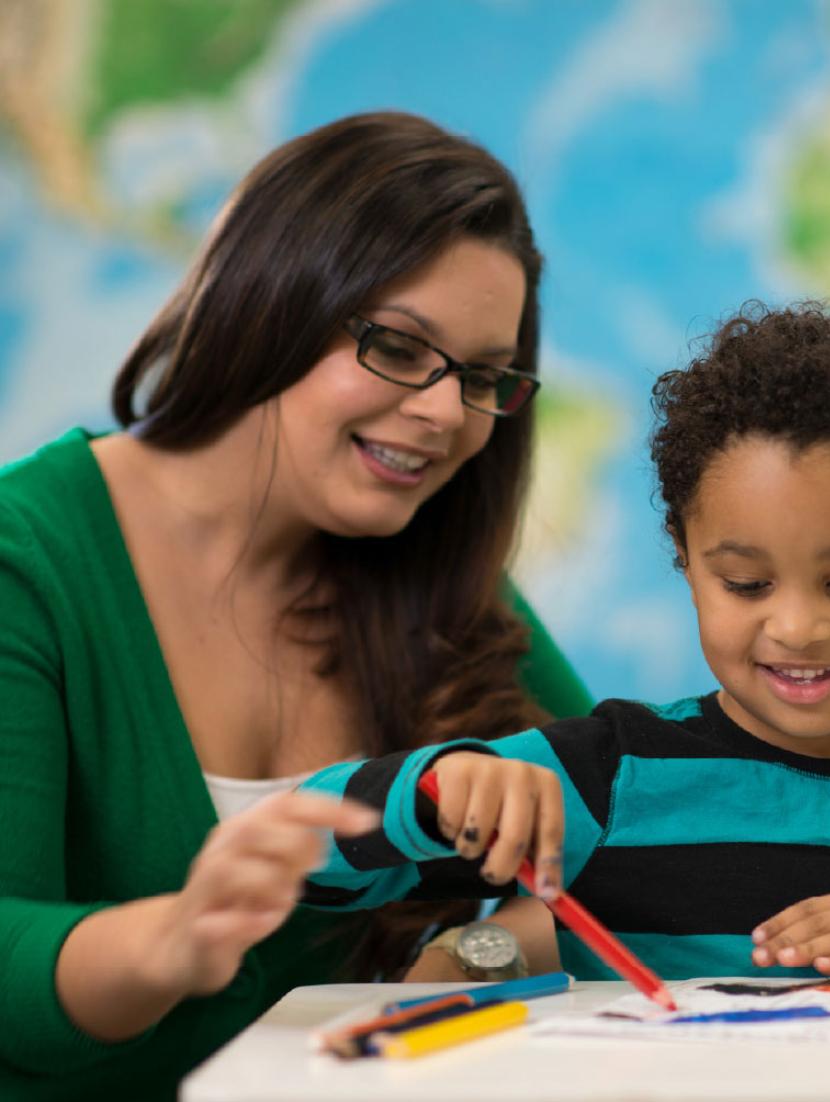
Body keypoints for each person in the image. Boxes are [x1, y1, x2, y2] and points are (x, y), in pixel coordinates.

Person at [0, 112, 591, 1100]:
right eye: (400, 347)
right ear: (265, 304)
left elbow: (641, 843)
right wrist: (174, 937)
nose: (447, 413)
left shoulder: (446, 575)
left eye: (485, 377)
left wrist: (476, 952)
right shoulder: (28, 559)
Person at [300, 301, 830, 980]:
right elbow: (306, 857)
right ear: (688, 564)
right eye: (746, 584)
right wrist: (439, 788)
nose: (796, 628)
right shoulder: (609, 771)